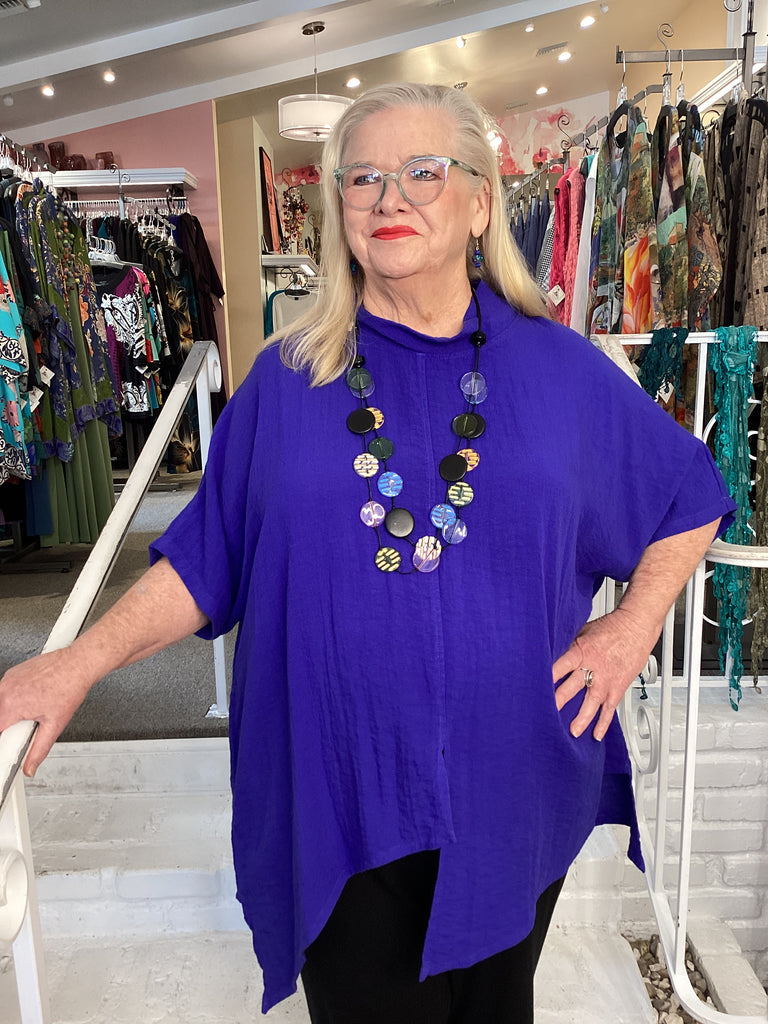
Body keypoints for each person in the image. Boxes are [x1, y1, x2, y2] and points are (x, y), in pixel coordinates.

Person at [0, 83, 736, 1023]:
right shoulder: (285, 382)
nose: (390, 198)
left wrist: (631, 628)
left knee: (494, 1010)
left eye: (423, 171)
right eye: (362, 178)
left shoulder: (560, 371)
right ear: (338, 206)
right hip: (340, 777)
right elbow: (205, 559)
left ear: (480, 201)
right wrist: (78, 662)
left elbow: (688, 493)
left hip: (511, 778)